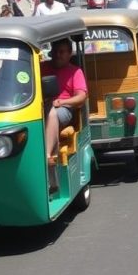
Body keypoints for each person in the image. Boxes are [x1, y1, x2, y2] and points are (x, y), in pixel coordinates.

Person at [40, 39, 87, 192]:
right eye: (56, 52)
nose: (58, 55)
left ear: (69, 54)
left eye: (62, 52)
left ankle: (47, 156)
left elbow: (81, 97)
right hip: (40, 107)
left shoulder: (75, 72)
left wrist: (62, 102)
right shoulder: (42, 67)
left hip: (64, 109)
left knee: (52, 113)